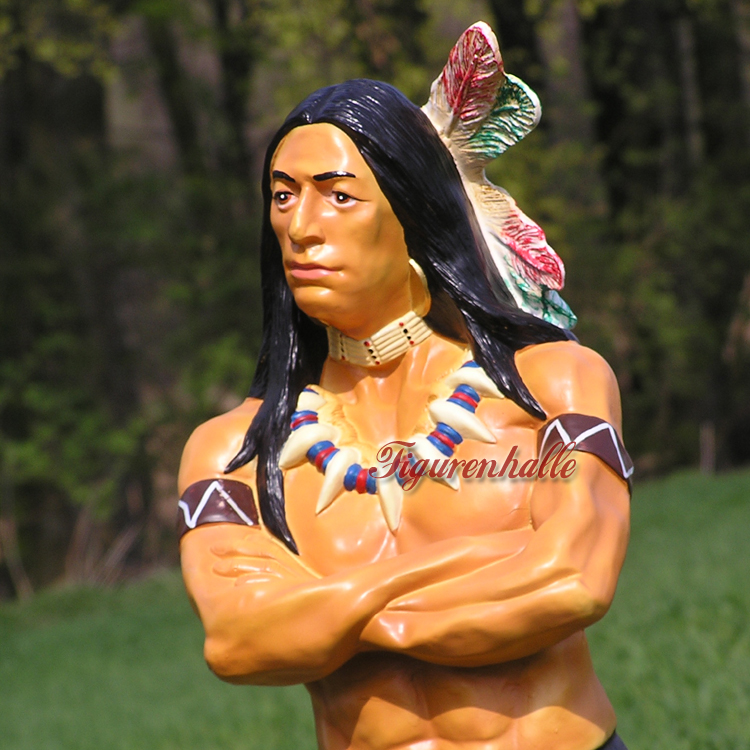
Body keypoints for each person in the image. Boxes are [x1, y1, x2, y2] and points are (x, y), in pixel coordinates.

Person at [178, 70, 632, 750]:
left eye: (339, 195)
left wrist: (327, 614)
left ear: (412, 208)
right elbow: (238, 640)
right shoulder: (232, 452)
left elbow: (573, 581)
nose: (301, 227)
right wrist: (486, 560)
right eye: (283, 196)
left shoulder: (552, 385)